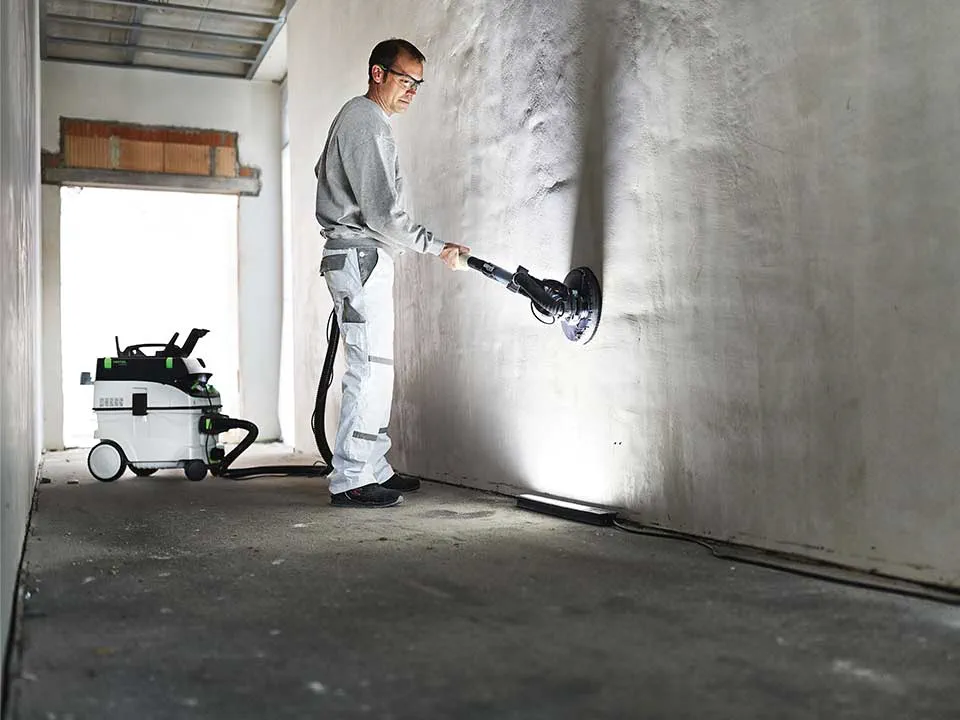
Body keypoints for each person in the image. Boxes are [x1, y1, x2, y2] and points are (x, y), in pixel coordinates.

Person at [314, 38, 469, 508]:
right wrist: (438, 247)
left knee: (377, 367)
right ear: (378, 73)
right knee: (367, 367)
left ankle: (372, 465)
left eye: (418, 84)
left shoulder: (364, 120)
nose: (412, 91)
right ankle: (352, 478)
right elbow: (383, 215)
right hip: (361, 255)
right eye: (406, 80)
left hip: (362, 257)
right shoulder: (366, 122)